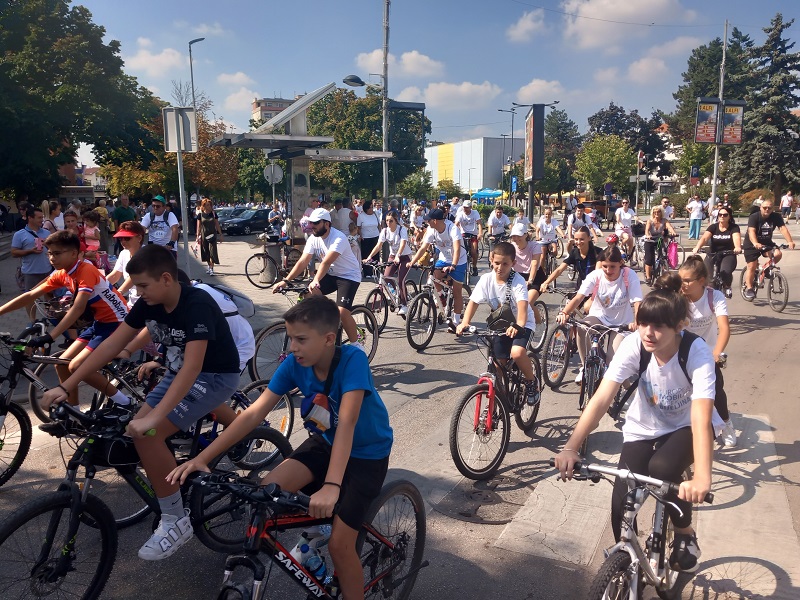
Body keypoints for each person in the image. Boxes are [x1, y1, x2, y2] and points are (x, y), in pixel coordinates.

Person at [167, 296, 392, 599]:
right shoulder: (293, 365)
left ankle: (332, 549)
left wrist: (331, 485)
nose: (293, 346)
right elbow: (253, 414)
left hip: (366, 454)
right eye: (290, 338)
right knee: (266, 490)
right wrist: (203, 459)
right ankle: (317, 532)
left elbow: (348, 422)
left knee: (341, 546)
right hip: (325, 442)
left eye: (301, 339)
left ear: (328, 339)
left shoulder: (353, 359)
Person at [40, 244, 242, 561]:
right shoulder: (149, 304)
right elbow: (112, 344)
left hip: (213, 375)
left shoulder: (196, 304)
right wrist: (67, 385)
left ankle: (176, 521)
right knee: (138, 433)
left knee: (148, 432)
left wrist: (154, 419)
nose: (139, 293)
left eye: (143, 286)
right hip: (179, 373)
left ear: (165, 278)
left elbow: (193, 368)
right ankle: (172, 487)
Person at [554, 281, 719, 573]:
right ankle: (627, 563)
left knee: (663, 470)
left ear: (680, 325)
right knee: (621, 503)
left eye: (658, 327)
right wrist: (571, 447)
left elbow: (701, 416)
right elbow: (602, 397)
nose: (648, 333)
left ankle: (684, 533)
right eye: (643, 323)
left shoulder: (696, 351)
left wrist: (703, 479)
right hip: (644, 426)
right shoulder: (635, 345)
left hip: (686, 426)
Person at [2, 230, 131, 412]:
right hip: (100, 323)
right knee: (62, 363)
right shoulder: (61, 273)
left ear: (73, 253)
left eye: (57, 253)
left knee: (77, 366)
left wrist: (50, 337)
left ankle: (124, 402)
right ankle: (75, 410)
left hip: (118, 323)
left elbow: (77, 308)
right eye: (49, 253)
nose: (52, 258)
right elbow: (30, 295)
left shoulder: (86, 270)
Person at [456, 241, 541, 405]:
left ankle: (531, 382)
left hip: (523, 324)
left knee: (516, 353)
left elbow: (523, 309)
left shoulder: (518, 282)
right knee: (497, 364)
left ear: (513, 263)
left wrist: (518, 325)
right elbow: (473, 302)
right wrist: (464, 322)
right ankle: (499, 401)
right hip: (501, 326)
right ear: (490, 259)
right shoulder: (486, 280)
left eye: (505, 264)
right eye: (496, 263)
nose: (500, 268)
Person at [274, 208, 365, 351]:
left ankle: (356, 344)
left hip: (349, 276)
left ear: (327, 224)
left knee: (342, 312)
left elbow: (326, 262)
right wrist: (286, 280)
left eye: (316, 223)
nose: (312, 227)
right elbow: (303, 262)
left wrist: (315, 279)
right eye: (311, 223)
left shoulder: (338, 238)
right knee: (306, 296)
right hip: (331, 274)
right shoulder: (313, 238)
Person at [556, 245, 642, 383]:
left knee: (612, 363)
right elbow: (578, 297)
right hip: (599, 316)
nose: (608, 270)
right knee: (582, 327)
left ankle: (622, 392)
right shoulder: (596, 276)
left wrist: (637, 322)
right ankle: (585, 367)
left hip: (621, 322)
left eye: (612, 266)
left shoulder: (629, 275)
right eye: (605, 266)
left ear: (620, 263)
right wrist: (565, 312)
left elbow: (637, 302)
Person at [675, 257, 737, 446]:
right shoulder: (677, 298)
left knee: (716, 388)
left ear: (702, 281)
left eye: (687, 281)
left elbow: (724, 328)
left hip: (705, 353)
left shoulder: (714, 297)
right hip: (680, 351)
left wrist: (717, 352)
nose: (683, 285)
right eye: (680, 280)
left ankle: (726, 423)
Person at [408, 208, 468, 332]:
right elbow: (424, 247)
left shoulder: (452, 228)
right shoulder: (431, 229)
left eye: (428, 220)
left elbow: (457, 249)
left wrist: (454, 265)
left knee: (457, 292)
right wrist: (412, 262)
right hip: (444, 258)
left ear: (435, 220)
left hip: (459, 260)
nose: (427, 223)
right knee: (433, 277)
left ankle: (456, 322)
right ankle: (442, 298)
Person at [741, 199, 795, 299]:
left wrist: (790, 241)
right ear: (760, 208)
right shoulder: (754, 217)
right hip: (751, 244)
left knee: (777, 254)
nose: (767, 209)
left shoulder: (776, 217)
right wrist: (755, 243)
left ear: (772, 209)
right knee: (752, 267)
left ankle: (766, 270)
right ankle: (749, 288)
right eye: (764, 207)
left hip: (766, 243)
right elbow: (751, 231)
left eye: (769, 208)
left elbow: (782, 228)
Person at [362, 210, 413, 315]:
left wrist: (398, 255)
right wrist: (369, 257)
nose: (388, 223)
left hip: (404, 257)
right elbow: (378, 245)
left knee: (400, 279)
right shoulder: (385, 231)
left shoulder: (401, 230)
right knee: (386, 277)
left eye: (391, 221)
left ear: (396, 221)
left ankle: (404, 304)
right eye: (387, 221)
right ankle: (397, 294)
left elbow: (403, 244)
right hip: (393, 256)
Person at [10, 206, 52, 321]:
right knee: (30, 298)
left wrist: (49, 246)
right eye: (39, 218)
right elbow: (14, 252)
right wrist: (30, 251)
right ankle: (32, 321)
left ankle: (49, 317)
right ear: (30, 218)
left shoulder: (47, 233)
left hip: (47, 270)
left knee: (49, 296)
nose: (42, 220)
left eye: (42, 217)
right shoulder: (19, 234)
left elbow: (54, 249)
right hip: (30, 272)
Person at [691, 206, 742, 298]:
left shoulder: (734, 228)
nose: (722, 216)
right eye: (720, 215)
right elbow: (705, 238)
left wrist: (737, 247)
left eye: (725, 215)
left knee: (725, 271)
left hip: (728, 253)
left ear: (729, 216)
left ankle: (727, 286)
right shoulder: (713, 227)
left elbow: (736, 238)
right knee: (707, 273)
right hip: (713, 252)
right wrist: (697, 247)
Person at [509, 222, 546, 336]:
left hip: (535, 277)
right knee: (510, 303)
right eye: (514, 236)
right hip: (518, 276)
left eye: (519, 235)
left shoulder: (535, 246)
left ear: (526, 235)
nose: (516, 238)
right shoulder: (512, 247)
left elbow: (534, 264)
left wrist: (530, 280)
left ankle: (539, 323)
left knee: (527, 302)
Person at [540, 226, 598, 293]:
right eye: (576, 239)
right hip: (581, 287)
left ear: (589, 238)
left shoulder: (597, 252)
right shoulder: (574, 252)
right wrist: (546, 282)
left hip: (595, 288)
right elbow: (559, 269)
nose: (578, 242)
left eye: (582, 239)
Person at [107, 221, 147, 309]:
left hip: (149, 304)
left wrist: (118, 293)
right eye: (121, 238)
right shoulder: (123, 253)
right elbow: (115, 275)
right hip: (132, 303)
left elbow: (133, 278)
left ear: (139, 238)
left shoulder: (146, 254)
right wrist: (99, 285)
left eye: (127, 238)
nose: (123, 241)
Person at [643, 205, 677, 285]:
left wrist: (673, 232)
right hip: (650, 240)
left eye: (658, 212)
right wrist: (648, 235)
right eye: (655, 212)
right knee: (649, 259)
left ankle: (662, 267)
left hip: (659, 240)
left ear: (661, 212)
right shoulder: (650, 221)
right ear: (653, 213)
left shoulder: (664, 220)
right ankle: (648, 277)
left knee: (662, 255)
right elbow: (647, 231)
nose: (656, 213)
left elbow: (669, 227)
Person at [455, 200, 482, 277]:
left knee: (474, 251)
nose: (465, 209)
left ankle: (474, 267)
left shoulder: (475, 213)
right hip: (463, 234)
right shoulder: (460, 214)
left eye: (467, 207)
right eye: (464, 207)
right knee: (460, 251)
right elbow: (456, 224)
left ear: (470, 207)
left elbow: (479, 224)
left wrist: (480, 233)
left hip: (473, 234)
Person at [195, 198, 222, 275]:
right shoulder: (200, 214)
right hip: (204, 234)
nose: (209, 206)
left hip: (212, 234)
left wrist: (220, 234)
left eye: (210, 205)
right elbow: (198, 226)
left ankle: (211, 268)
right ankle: (209, 265)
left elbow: (217, 224)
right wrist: (197, 235)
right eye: (207, 205)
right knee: (205, 251)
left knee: (213, 251)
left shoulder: (213, 214)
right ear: (204, 206)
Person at [356, 200, 381, 278]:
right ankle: (367, 272)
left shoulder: (375, 214)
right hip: (366, 238)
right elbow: (358, 227)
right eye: (370, 208)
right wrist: (361, 235)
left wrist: (380, 234)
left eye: (372, 207)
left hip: (375, 236)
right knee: (366, 255)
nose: (372, 209)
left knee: (376, 254)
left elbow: (379, 225)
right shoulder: (361, 216)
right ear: (366, 209)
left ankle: (376, 271)